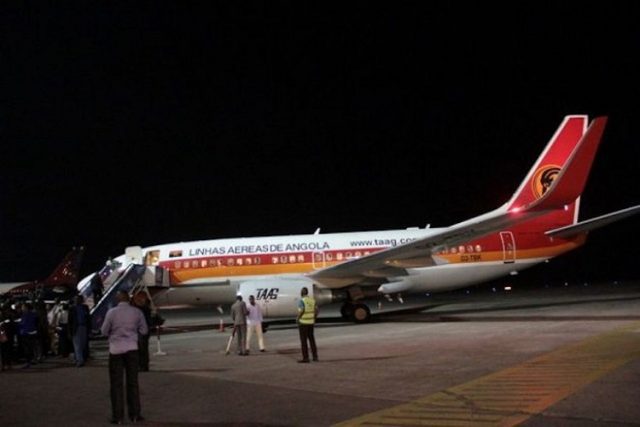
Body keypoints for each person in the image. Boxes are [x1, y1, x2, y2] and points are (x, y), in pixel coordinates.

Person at [101, 290, 148, 425]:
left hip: (116, 350)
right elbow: (144, 330)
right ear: (128, 299)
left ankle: (118, 417)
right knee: (133, 382)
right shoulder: (137, 312)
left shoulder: (111, 313)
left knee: (116, 384)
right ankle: (135, 414)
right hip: (132, 349)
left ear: (118, 299)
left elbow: (104, 331)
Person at [297, 287, 318, 363]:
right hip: (311, 323)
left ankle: (306, 358)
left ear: (301, 293)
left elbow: (302, 310)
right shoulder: (312, 300)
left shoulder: (301, 301)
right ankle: (315, 357)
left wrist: (298, 318)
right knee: (312, 340)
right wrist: (314, 318)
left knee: (304, 341)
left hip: (303, 323)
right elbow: (316, 310)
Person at [68, 295, 90, 367]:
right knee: (77, 345)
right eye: (76, 299)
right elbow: (70, 321)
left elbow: (88, 318)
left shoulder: (85, 307)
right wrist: (69, 331)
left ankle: (78, 358)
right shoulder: (72, 309)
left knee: (83, 344)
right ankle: (80, 361)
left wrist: (89, 329)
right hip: (76, 328)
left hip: (84, 327)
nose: (77, 300)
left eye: (78, 299)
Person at [132, 292, 152, 371]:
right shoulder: (146, 308)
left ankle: (142, 365)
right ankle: (144, 365)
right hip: (144, 331)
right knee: (143, 349)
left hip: (140, 331)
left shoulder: (141, 309)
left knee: (141, 349)